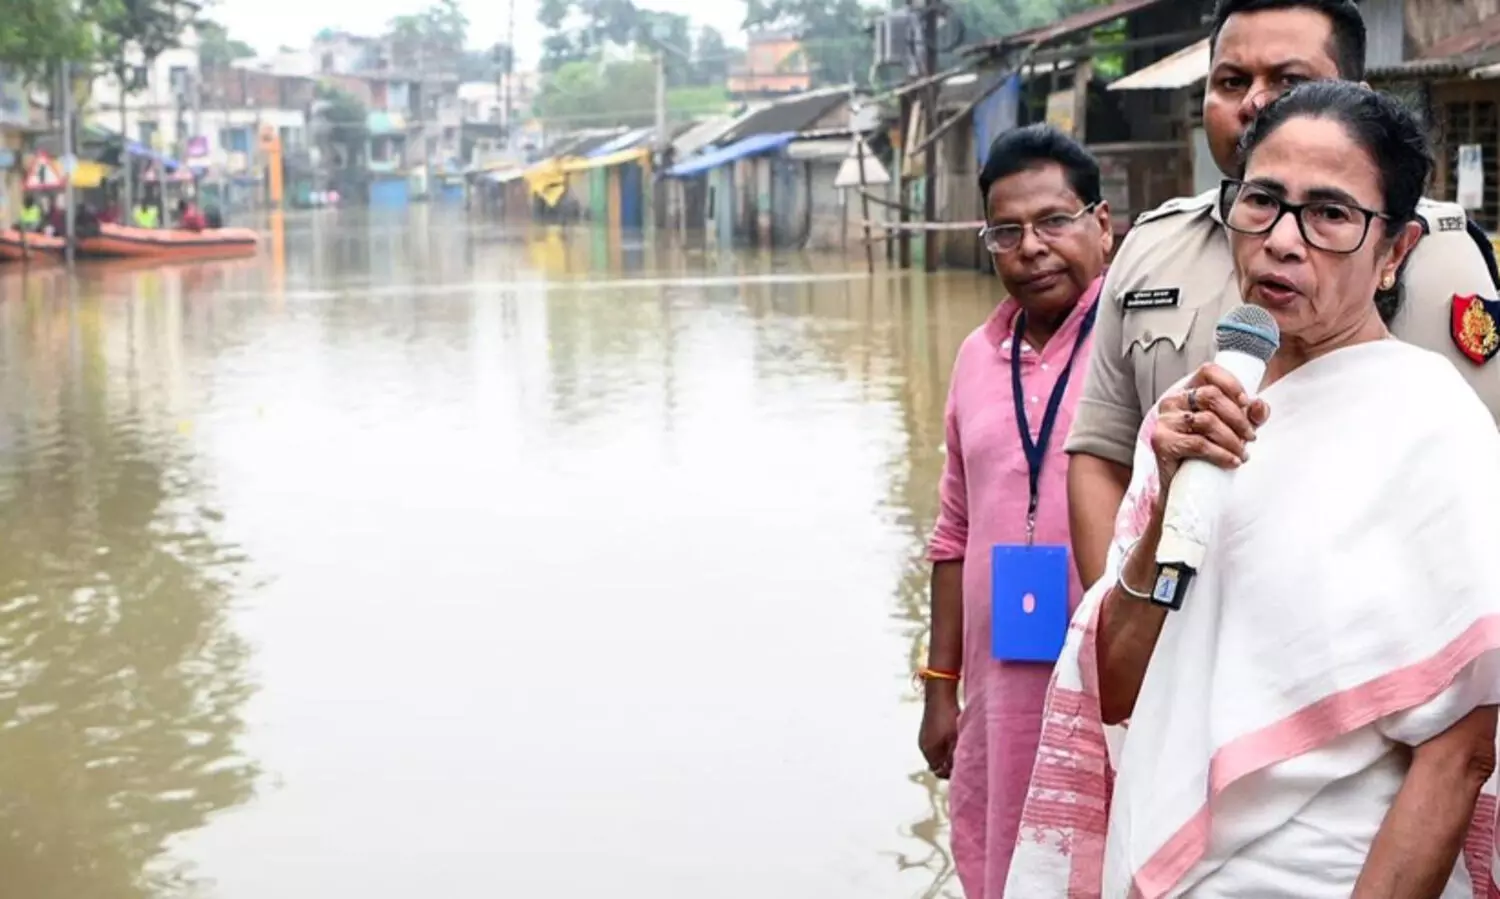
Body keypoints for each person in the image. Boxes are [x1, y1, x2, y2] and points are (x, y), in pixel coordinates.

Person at [1006, 80, 1500, 898]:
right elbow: (1122, 691)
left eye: (1331, 214)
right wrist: (1167, 509)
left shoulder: (1433, 425)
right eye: (1262, 201)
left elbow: (1463, 750)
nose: (1281, 240)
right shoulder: (1188, 416)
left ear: (1397, 250)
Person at [1064, 0, 1500, 591]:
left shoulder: (1440, 254)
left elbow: (1476, 476)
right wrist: (1124, 626)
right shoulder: (1147, 249)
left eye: (1290, 81)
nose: (1256, 102)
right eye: (1231, 81)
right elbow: (1102, 456)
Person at [915, 124, 1113, 899]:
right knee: (1002, 862)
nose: (1031, 247)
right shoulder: (974, 354)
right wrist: (940, 687)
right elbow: (953, 529)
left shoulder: (1137, 339)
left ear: (1102, 223)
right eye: (1007, 230)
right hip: (1000, 693)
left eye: (1054, 222)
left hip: (1110, 685)